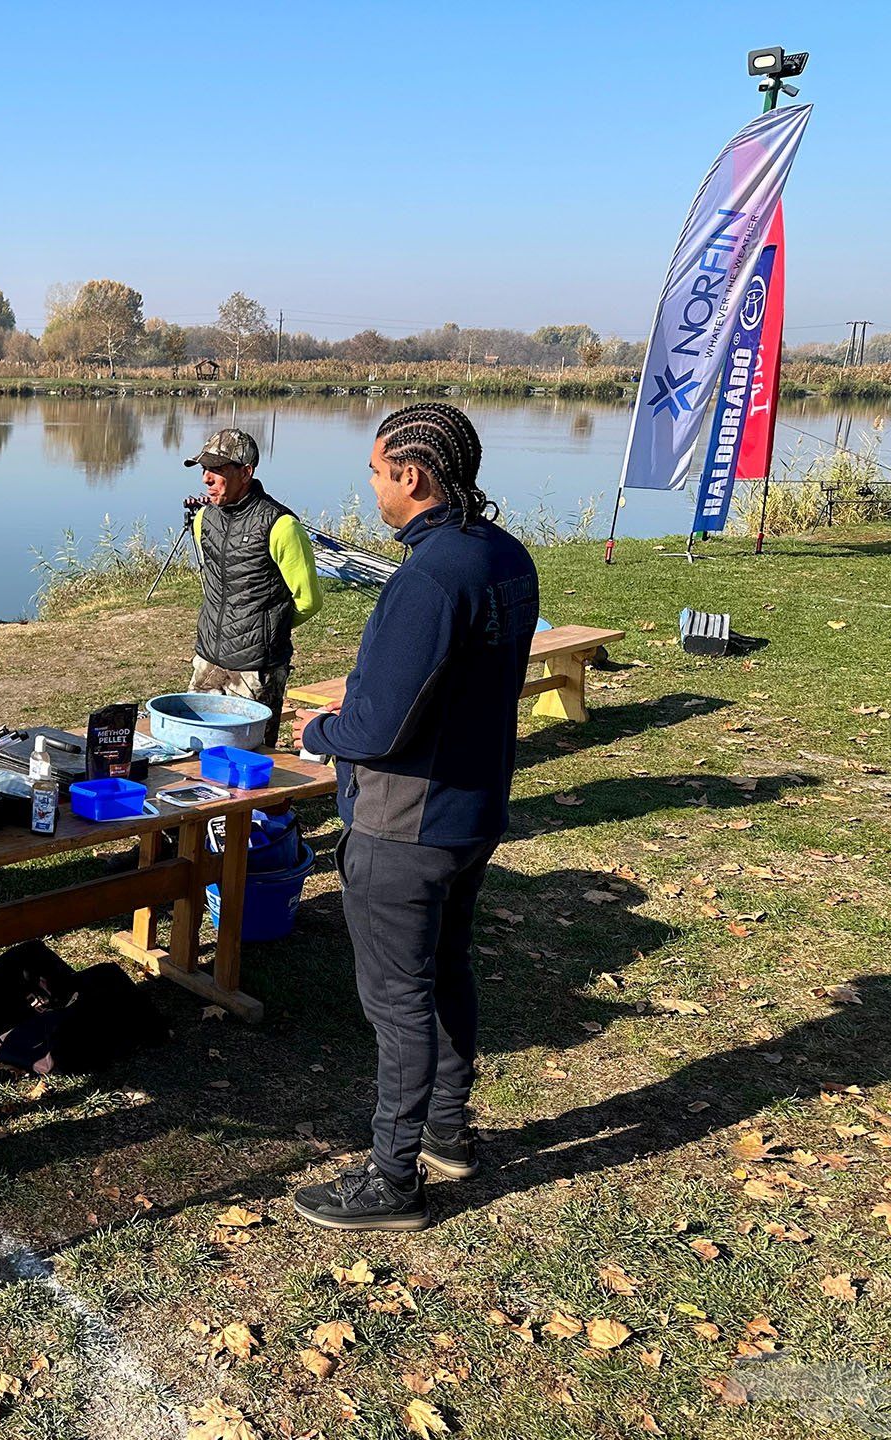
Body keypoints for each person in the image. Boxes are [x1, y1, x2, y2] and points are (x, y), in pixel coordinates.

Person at [290, 403, 540, 1232]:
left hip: (408, 824)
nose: (370, 487)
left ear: (413, 475)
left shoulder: (430, 577)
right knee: (447, 969)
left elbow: (379, 729)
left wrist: (321, 728)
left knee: (397, 1001)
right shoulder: (503, 553)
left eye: (374, 472)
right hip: (474, 811)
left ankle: (393, 1181)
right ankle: (447, 1130)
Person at [184, 427, 322, 748]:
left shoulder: (281, 525)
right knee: (195, 750)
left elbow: (309, 600)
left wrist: (264, 631)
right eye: (204, 469)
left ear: (246, 472)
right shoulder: (204, 519)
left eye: (217, 470)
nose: (206, 478)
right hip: (208, 658)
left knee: (250, 758)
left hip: (255, 669)